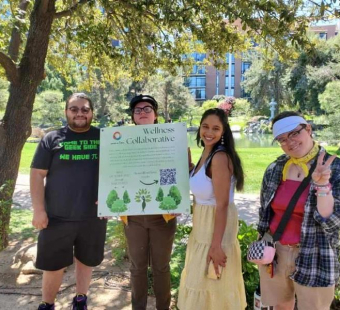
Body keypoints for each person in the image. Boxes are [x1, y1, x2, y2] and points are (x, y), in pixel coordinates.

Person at [30, 93, 107, 310]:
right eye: (74, 109)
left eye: (85, 109)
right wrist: (39, 210)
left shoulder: (105, 138)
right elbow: (37, 174)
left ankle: (80, 299)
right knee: (53, 264)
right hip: (56, 216)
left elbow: (119, 170)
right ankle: (48, 304)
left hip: (93, 216)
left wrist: (114, 200)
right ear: (66, 112)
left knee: (86, 261)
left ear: (92, 112)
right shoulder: (51, 139)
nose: (80, 113)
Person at [257, 111, 340, 310]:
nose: (290, 142)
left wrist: (322, 186)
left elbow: (333, 223)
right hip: (276, 252)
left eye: (294, 133)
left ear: (308, 129)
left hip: (315, 252)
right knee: (280, 306)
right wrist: (263, 242)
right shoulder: (276, 168)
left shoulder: (335, 169)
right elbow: (265, 212)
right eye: (282, 139)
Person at [177, 108, 247, 310]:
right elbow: (205, 185)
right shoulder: (207, 152)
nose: (209, 132)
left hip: (216, 228)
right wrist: (190, 168)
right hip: (203, 227)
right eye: (205, 126)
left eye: (216, 128)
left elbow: (222, 204)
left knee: (213, 284)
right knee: (202, 281)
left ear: (224, 131)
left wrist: (216, 246)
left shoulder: (219, 157)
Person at [121, 94, 177, 310]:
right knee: (137, 267)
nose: (142, 112)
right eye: (137, 110)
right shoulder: (123, 142)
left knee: (161, 267)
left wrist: (176, 196)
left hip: (162, 215)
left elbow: (175, 172)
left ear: (155, 115)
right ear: (133, 116)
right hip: (133, 216)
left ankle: (163, 307)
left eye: (147, 109)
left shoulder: (170, 139)